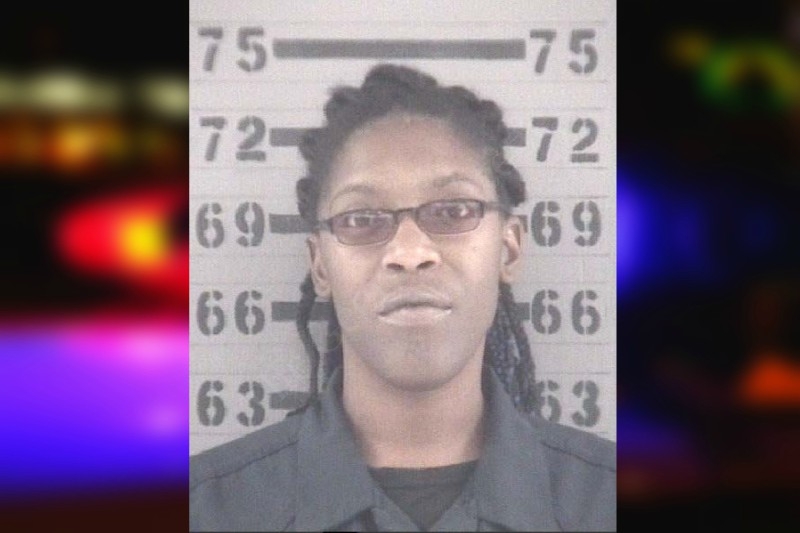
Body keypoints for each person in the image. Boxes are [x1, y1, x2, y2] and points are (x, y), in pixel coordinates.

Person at [190, 63, 616, 532]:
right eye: (361, 218)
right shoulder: (204, 512)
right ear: (320, 265)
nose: (410, 253)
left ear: (508, 249)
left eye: (453, 211)